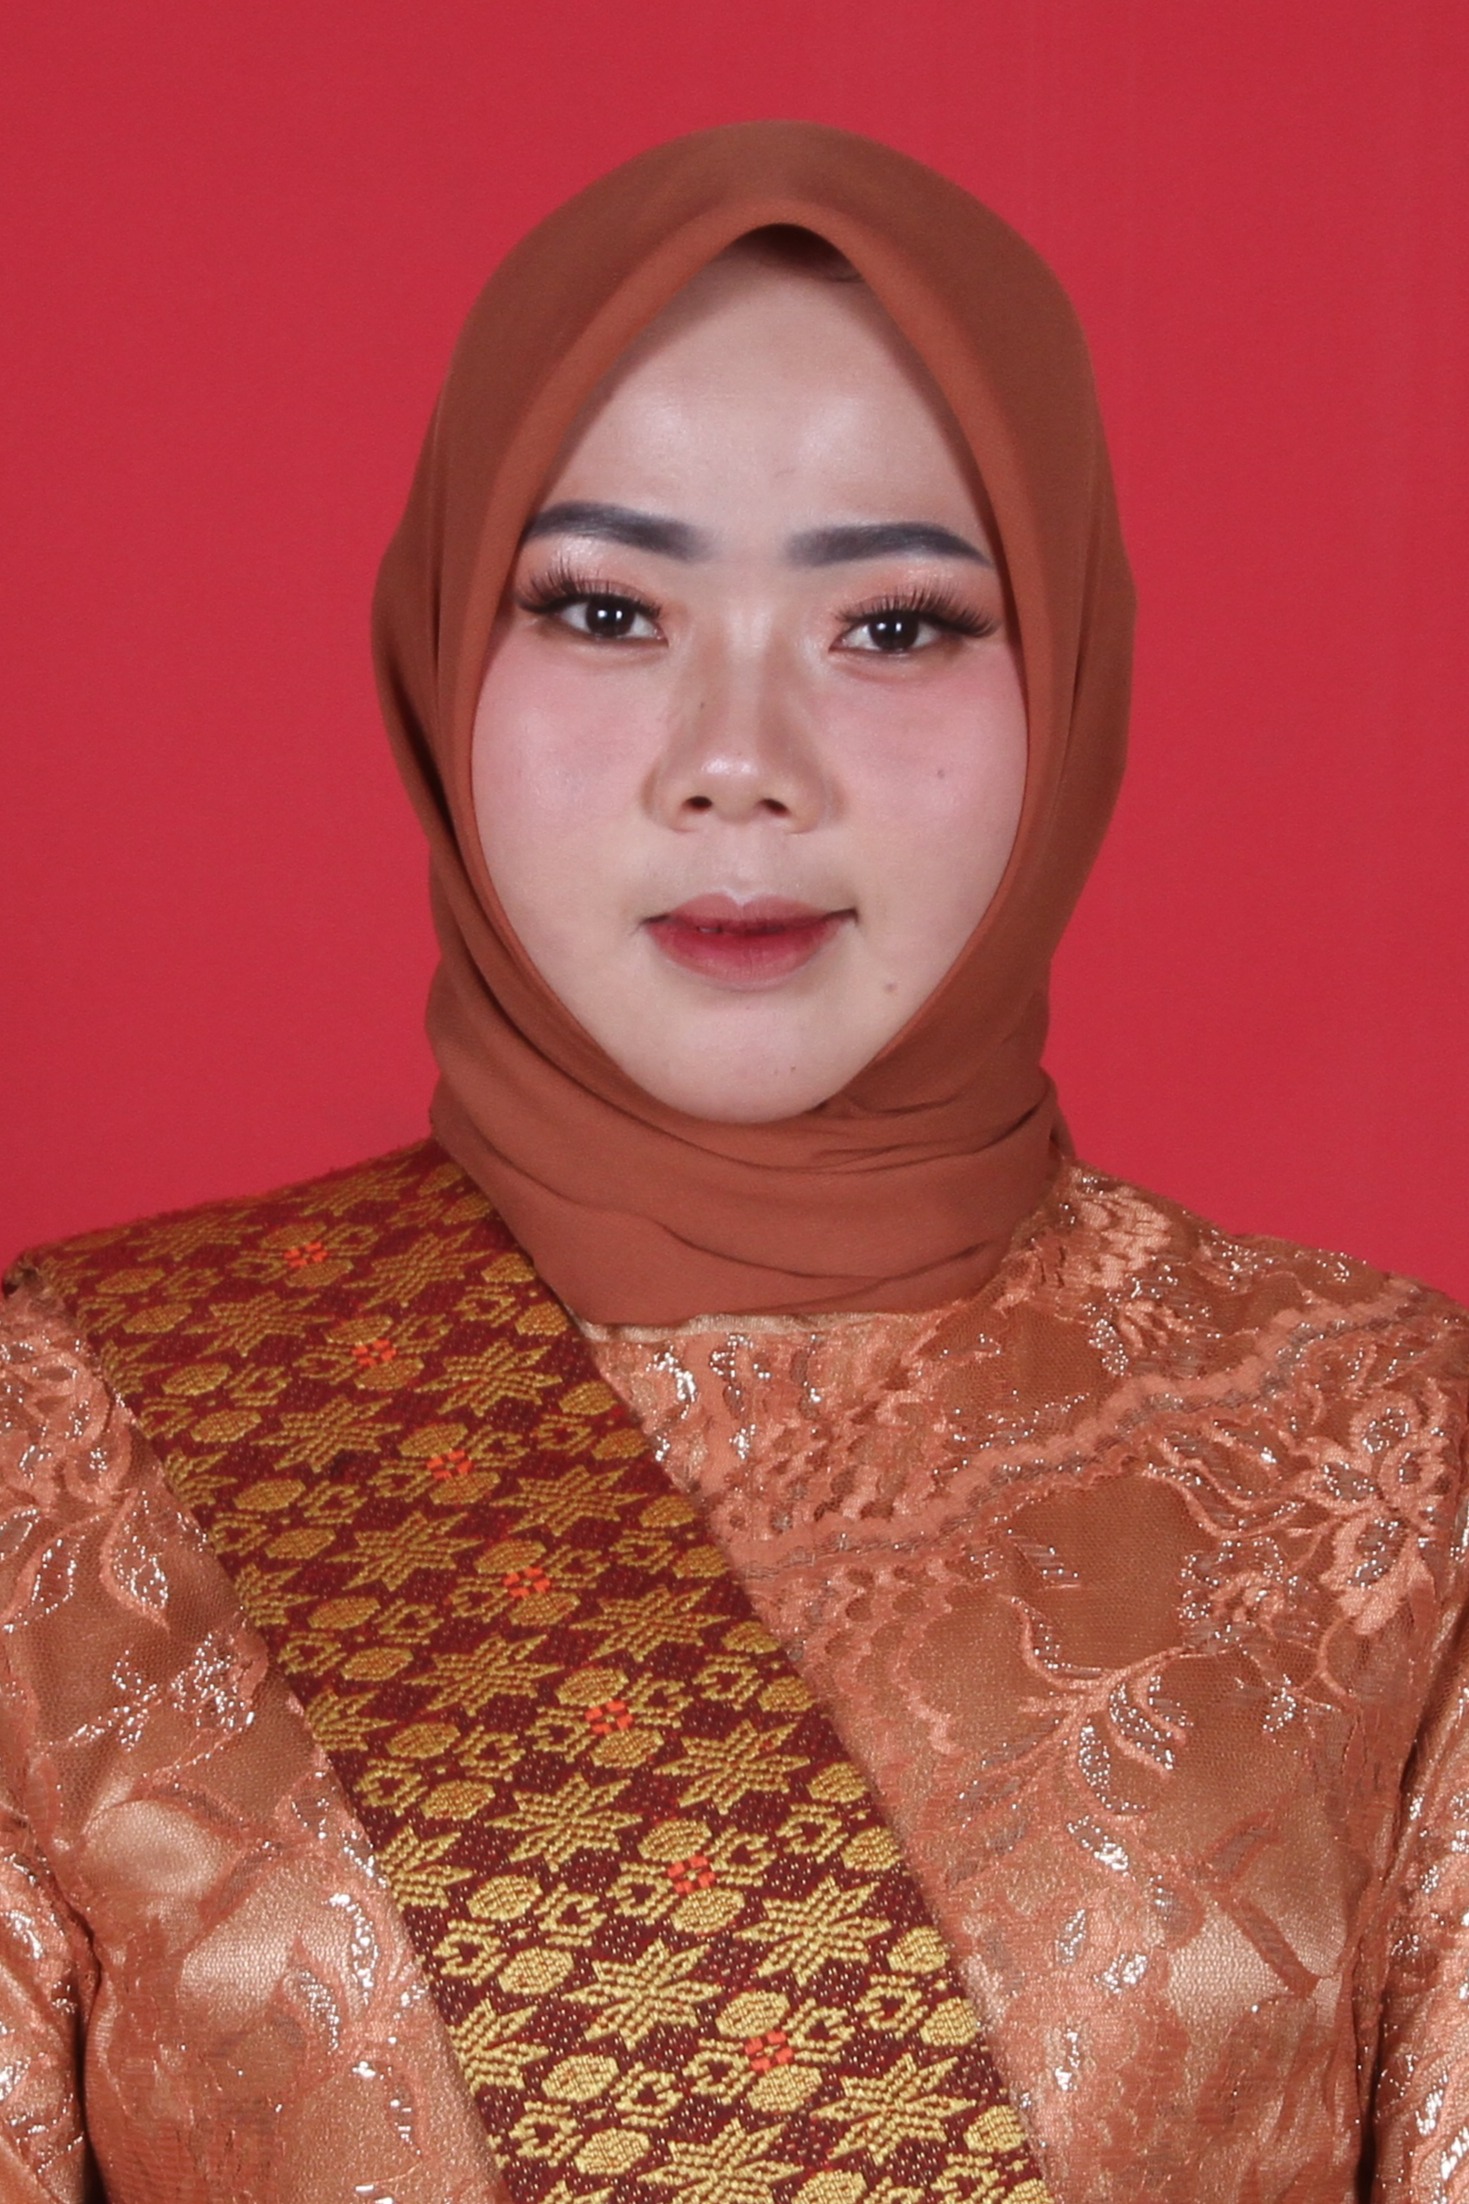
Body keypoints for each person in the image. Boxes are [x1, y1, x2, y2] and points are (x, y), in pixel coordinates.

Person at [1, 119, 1465, 2204]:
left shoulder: (1390, 1458)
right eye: (606, 607)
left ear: (1069, 671)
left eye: (895, 625)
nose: (737, 764)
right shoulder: (66, 1439)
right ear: (443, 646)